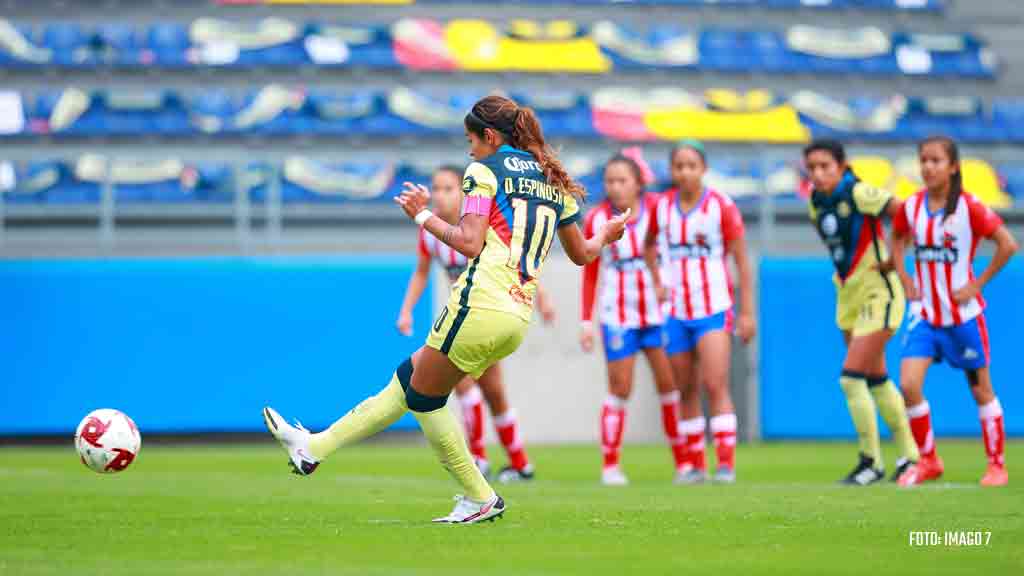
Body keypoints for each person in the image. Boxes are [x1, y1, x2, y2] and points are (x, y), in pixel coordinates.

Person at [262, 94, 631, 523]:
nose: (469, 150)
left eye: (471, 140)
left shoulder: (483, 171)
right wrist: (605, 234)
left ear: (490, 137)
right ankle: (313, 448)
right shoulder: (550, 178)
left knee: (423, 398)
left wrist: (422, 217)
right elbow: (583, 253)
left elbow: (469, 241)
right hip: (516, 315)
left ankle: (480, 496)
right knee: (408, 380)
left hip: (480, 302)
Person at [397, 165, 554, 483]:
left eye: (449, 188)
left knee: (493, 392)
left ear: (464, 192)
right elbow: (422, 271)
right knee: (466, 385)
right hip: (463, 314)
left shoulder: (481, 225)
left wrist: (543, 299)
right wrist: (406, 310)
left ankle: (511, 462)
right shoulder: (430, 230)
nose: (440, 195)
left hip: (487, 312)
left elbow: (517, 263)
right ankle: (495, 459)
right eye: (436, 188)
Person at [890, 136, 1018, 487]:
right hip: (925, 316)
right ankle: (928, 460)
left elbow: (1007, 244)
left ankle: (996, 466)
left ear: (953, 166)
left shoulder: (969, 207)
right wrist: (903, 275)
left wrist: (977, 285)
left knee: (981, 391)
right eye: (923, 160)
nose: (928, 167)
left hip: (962, 319)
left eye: (935, 160)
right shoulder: (912, 207)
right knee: (909, 384)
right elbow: (897, 237)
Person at [802, 139, 919, 485]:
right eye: (812, 168)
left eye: (826, 166)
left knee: (850, 378)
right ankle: (910, 457)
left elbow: (905, 215)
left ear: (842, 166)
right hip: (849, 295)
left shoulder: (859, 192)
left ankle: (871, 461)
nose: (818, 174)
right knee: (876, 379)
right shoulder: (815, 203)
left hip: (878, 293)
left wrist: (894, 258)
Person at [643, 140, 756, 484]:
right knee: (686, 388)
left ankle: (725, 465)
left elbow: (741, 259)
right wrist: (658, 279)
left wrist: (747, 312)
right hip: (676, 311)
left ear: (703, 169)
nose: (685, 172)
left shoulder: (721, 206)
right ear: (672, 170)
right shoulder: (661, 207)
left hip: (713, 308)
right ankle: (693, 466)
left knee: (714, 382)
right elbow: (648, 245)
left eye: (692, 165)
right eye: (679, 165)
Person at [580, 150, 686, 486]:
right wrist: (586, 320)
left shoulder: (658, 210)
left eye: (622, 180)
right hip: (618, 315)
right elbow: (590, 272)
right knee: (620, 387)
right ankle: (610, 466)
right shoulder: (596, 218)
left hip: (659, 314)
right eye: (610, 180)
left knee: (670, 386)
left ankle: (684, 464)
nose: (615, 187)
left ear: (639, 183)